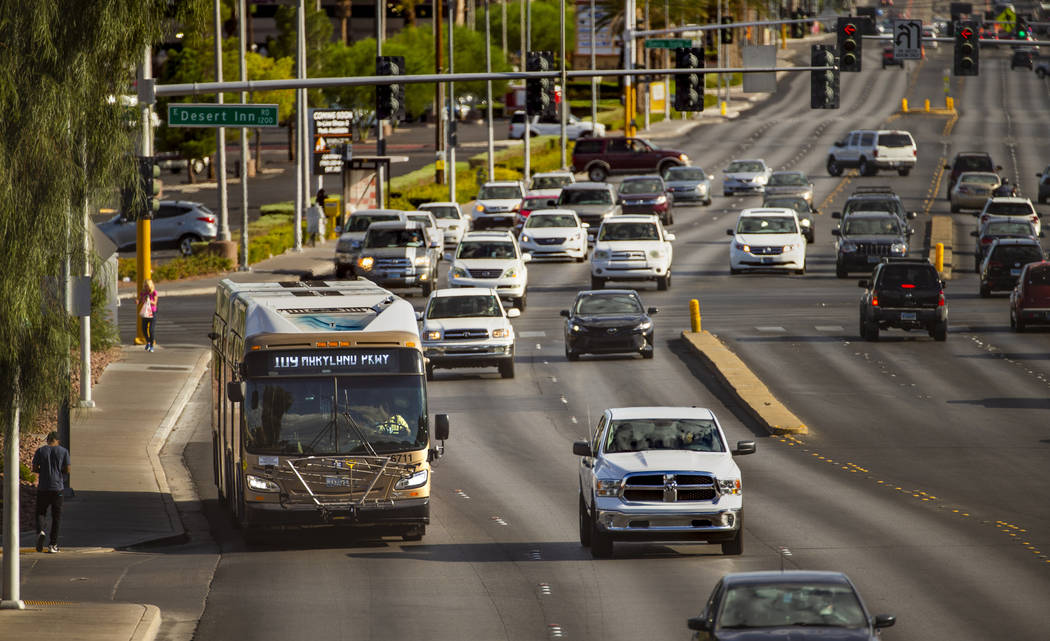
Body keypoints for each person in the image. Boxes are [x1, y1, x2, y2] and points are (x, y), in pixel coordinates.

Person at [32, 431, 71, 553]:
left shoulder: (40, 451)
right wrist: (61, 475)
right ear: (57, 440)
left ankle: (41, 531)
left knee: (40, 512)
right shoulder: (63, 451)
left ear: (47, 440)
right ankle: (53, 545)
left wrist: (43, 471)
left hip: (43, 487)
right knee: (56, 517)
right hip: (57, 488)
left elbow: (34, 468)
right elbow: (67, 469)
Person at [139, 279, 157, 352]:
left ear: (150, 286)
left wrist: (149, 301)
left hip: (152, 312)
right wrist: (138, 301)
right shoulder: (143, 293)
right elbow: (140, 300)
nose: (146, 288)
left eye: (147, 286)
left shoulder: (154, 292)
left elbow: (155, 302)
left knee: (151, 330)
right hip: (145, 313)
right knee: (143, 329)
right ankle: (148, 342)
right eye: (145, 286)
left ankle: (152, 345)